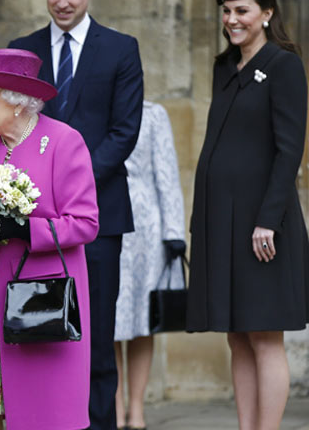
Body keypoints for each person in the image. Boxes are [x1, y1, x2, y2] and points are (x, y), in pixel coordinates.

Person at [8, 0, 143, 427]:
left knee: (95, 341)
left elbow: (124, 133)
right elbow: (12, 129)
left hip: (97, 220)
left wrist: (69, 187)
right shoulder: (22, 52)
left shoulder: (121, 49)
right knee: (36, 338)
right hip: (31, 225)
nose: (61, 2)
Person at [0, 48, 99, 429]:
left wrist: (25, 229)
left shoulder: (64, 141)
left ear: (16, 101)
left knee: (43, 413)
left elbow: (85, 222)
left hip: (40, 299)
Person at [188, 0, 309, 430]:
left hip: (263, 223)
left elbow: (289, 150)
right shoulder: (224, 67)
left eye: (242, 10)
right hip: (223, 220)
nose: (232, 19)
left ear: (266, 12)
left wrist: (268, 220)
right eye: (226, 10)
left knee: (264, 335)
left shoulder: (284, 65)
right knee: (236, 336)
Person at [113, 100, 186, 430]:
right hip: (104, 222)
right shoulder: (93, 105)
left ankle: (137, 411)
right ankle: (113, 411)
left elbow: (167, 173)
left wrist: (174, 232)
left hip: (146, 228)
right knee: (109, 324)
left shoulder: (153, 113)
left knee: (144, 319)